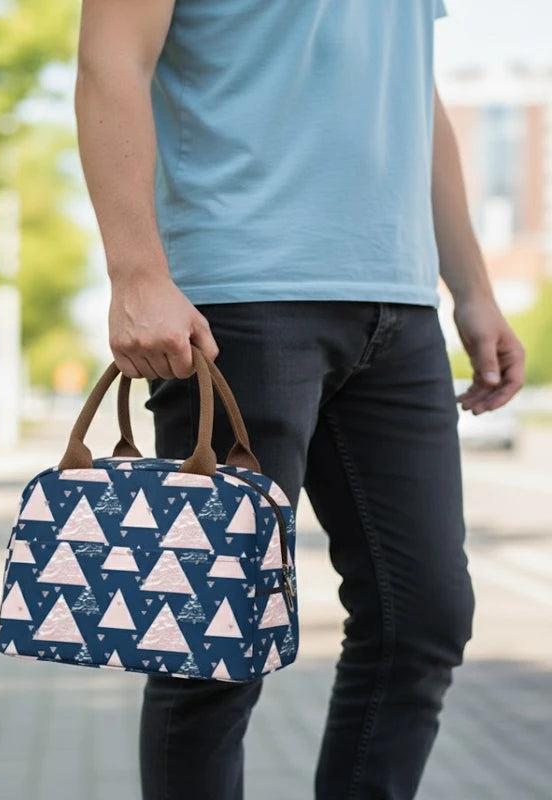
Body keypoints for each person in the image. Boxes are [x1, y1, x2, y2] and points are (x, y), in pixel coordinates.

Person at [73, 1, 525, 798]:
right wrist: (136, 273)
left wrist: (474, 290)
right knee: (214, 645)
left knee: (423, 620)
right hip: (239, 302)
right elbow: (113, 61)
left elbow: (412, 97)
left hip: (399, 303)